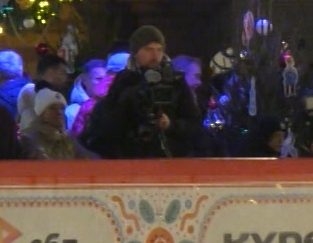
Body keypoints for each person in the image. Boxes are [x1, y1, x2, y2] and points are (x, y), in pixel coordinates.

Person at [82, 27, 200, 158]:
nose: (155, 55)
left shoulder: (175, 81)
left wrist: (171, 125)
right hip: (130, 157)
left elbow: (193, 123)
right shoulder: (124, 80)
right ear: (136, 52)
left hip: (168, 156)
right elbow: (107, 126)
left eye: (159, 50)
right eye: (148, 49)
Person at [20, 88, 84, 160]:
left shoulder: (67, 138)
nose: (59, 112)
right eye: (52, 108)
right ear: (42, 114)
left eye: (62, 108)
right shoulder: (30, 139)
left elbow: (86, 156)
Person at [16, 54, 71, 131]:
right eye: (62, 72)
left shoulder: (58, 95)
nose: (66, 77)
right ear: (51, 71)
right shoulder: (30, 92)